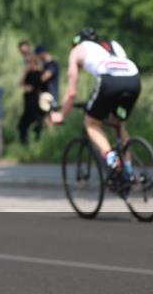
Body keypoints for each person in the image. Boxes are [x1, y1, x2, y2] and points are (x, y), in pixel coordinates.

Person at [51, 28, 141, 183]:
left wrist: (61, 114)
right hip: (134, 80)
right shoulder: (112, 45)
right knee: (118, 124)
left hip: (110, 81)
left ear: (77, 42)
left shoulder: (77, 50)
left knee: (92, 123)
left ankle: (113, 162)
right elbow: (122, 69)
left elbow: (72, 92)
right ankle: (128, 170)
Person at [17, 54, 44, 144]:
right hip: (28, 102)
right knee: (22, 126)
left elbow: (39, 87)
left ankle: (38, 141)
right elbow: (20, 84)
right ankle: (24, 144)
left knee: (38, 123)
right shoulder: (28, 73)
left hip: (35, 101)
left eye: (31, 63)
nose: (29, 65)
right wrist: (25, 73)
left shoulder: (39, 74)